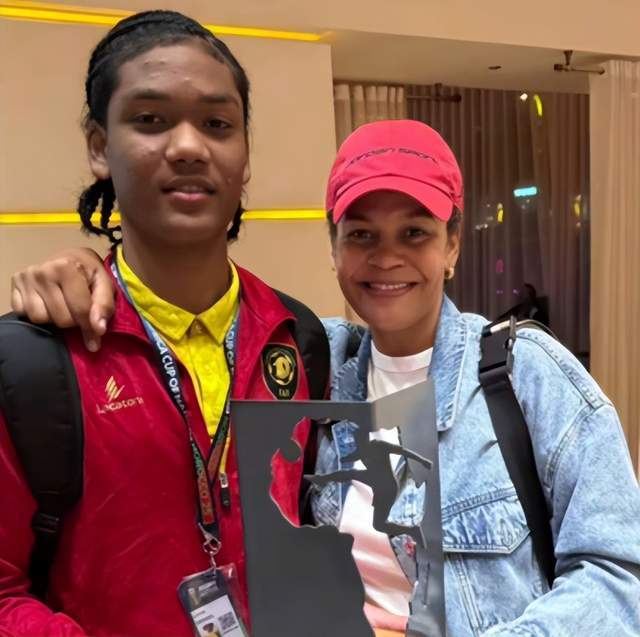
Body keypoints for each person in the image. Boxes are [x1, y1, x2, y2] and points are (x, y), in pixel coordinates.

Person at [11, 121, 640, 636]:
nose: (386, 257)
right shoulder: (314, 363)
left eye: (415, 233)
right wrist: (91, 271)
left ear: (451, 244)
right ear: (333, 247)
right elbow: (191, 330)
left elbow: (619, 577)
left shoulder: (526, 375)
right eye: (361, 234)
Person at [0, 11, 327, 636]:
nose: (188, 146)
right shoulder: (32, 359)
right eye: (150, 120)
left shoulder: (297, 337)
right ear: (99, 146)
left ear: (245, 155)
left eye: (217, 124)